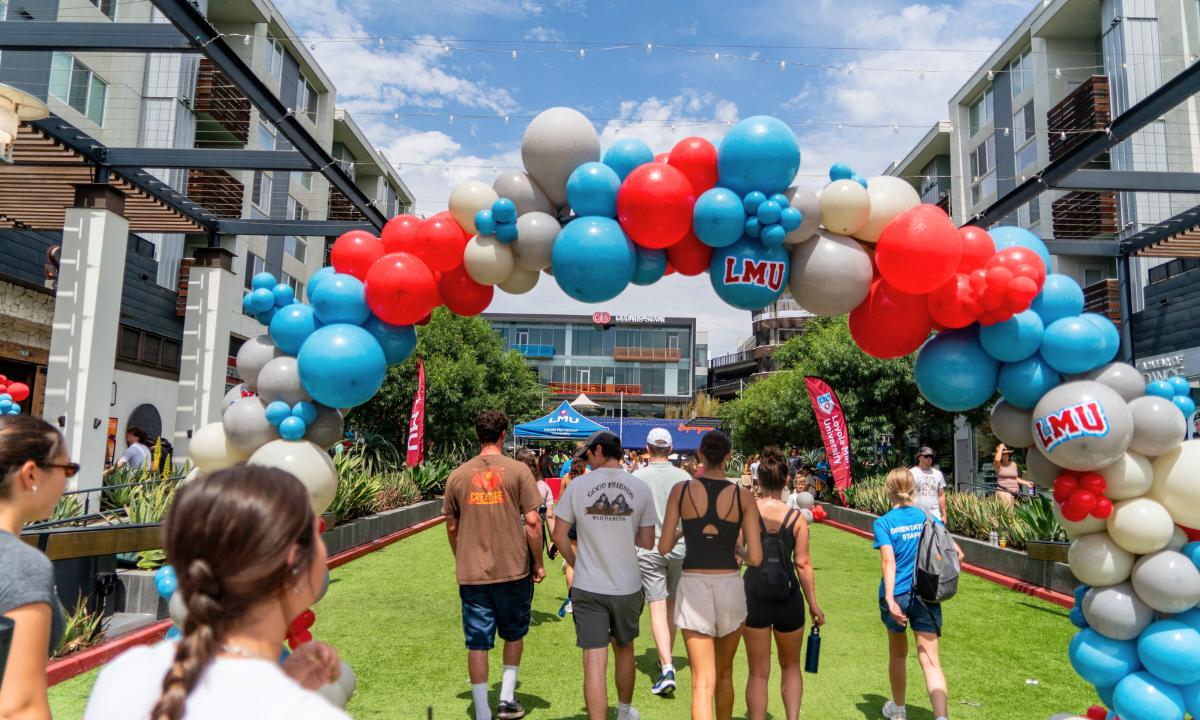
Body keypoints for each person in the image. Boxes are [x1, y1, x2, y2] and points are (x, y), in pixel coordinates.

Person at [85, 466, 345, 720]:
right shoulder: (305, 713)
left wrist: (283, 681)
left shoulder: (125, 674)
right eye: (315, 534)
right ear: (293, 561)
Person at [443, 411, 546, 720]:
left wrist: (463, 556)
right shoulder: (518, 471)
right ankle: (506, 699)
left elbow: (451, 527)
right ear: (504, 434)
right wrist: (538, 563)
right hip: (513, 567)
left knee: (478, 642)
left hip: (472, 572)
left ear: (478, 435)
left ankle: (482, 711)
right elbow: (533, 522)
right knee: (514, 634)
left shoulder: (457, 475)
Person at [551, 431, 657, 720]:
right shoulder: (639, 486)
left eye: (588, 454)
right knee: (625, 650)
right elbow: (648, 541)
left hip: (588, 586)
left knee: (594, 660)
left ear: (599, 450)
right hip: (627, 586)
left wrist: (574, 561)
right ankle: (623, 712)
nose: (586, 459)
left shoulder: (578, 485)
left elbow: (558, 534)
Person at [659, 431, 762, 720]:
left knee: (702, 683)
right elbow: (754, 557)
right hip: (729, 586)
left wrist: (683, 531)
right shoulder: (743, 496)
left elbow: (664, 547)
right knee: (725, 674)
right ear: (729, 456)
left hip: (693, 587)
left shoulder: (681, 490)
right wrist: (738, 549)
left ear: (700, 455)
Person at [740, 447, 824, 720]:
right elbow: (802, 564)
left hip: (753, 597)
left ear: (759, 481)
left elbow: (737, 557)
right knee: (790, 667)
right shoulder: (797, 518)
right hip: (789, 600)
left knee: (757, 672)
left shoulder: (748, 513)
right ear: (787, 481)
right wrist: (813, 604)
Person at [0, 416, 75, 720]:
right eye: (67, 469)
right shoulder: (20, 564)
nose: (68, 481)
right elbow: (21, 708)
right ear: (30, 474)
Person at [874, 469, 964, 720]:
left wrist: (891, 598)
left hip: (898, 595)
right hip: (926, 595)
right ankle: (942, 717)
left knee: (898, 654)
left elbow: (888, 562)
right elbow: (957, 553)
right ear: (914, 489)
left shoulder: (883, 523)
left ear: (888, 491)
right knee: (931, 660)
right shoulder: (928, 517)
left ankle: (899, 711)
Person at [633, 428, 692, 695]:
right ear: (670, 449)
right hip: (679, 548)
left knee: (657, 608)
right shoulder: (684, 476)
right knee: (670, 608)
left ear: (647, 448)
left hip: (648, 550)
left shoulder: (637, 476)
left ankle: (666, 666)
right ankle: (665, 659)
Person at [516, 448, 555, 538]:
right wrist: (554, 540)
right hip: (537, 534)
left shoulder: (510, 485)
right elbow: (549, 516)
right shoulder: (543, 486)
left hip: (516, 536)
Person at [909, 447, 947, 523]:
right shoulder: (911, 473)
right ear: (919, 457)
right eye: (926, 456)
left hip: (935, 515)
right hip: (917, 514)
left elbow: (941, 495)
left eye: (931, 456)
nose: (929, 458)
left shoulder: (938, 474)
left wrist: (944, 515)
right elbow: (908, 494)